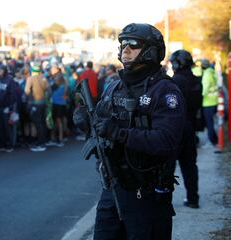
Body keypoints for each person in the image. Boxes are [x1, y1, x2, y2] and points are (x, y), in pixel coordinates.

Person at [73, 23, 185, 239]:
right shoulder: (115, 86)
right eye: (123, 44)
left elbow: (166, 140)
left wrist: (120, 133)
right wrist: (88, 125)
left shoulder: (165, 91)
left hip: (147, 195)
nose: (125, 49)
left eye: (133, 45)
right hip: (113, 187)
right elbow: (101, 130)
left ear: (151, 51)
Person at [169, 50, 201, 208]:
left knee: (168, 166)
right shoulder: (196, 80)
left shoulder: (176, 81)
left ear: (176, 63)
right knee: (190, 165)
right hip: (190, 126)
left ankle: (164, 200)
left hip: (176, 128)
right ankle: (193, 199)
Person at [200, 59, 218, 146]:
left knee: (209, 123)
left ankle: (213, 140)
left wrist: (200, 95)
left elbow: (205, 89)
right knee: (211, 122)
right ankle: (215, 138)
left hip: (208, 102)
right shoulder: (212, 72)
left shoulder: (206, 74)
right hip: (214, 100)